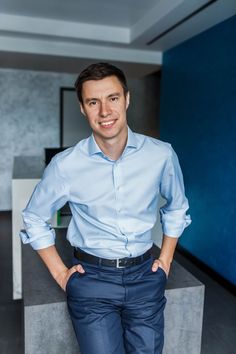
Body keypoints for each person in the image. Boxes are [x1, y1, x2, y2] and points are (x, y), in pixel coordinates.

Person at [20, 62, 191, 354]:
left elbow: (177, 208)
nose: (105, 111)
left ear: (126, 99)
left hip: (145, 276)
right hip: (92, 282)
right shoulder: (66, 165)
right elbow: (33, 217)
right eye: (93, 102)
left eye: (112, 98)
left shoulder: (161, 155)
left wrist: (166, 260)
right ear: (83, 108)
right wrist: (62, 275)